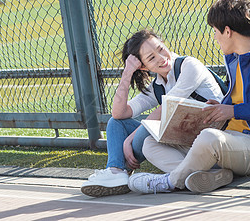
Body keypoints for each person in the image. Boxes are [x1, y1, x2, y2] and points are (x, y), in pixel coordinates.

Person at [128, 0, 250, 194]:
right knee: (150, 144)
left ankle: (168, 182)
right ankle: (202, 176)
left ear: (227, 31)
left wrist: (233, 111)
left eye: (215, 31)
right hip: (229, 138)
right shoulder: (235, 59)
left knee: (209, 138)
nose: (214, 37)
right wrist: (220, 108)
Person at [81, 29, 224, 197]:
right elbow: (119, 113)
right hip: (189, 139)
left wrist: (129, 140)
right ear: (143, 66)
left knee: (147, 129)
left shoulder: (189, 65)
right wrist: (127, 72)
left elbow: (167, 109)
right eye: (151, 58)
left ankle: (119, 171)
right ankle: (116, 170)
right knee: (117, 123)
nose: (162, 58)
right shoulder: (157, 85)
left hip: (217, 136)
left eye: (161, 49)